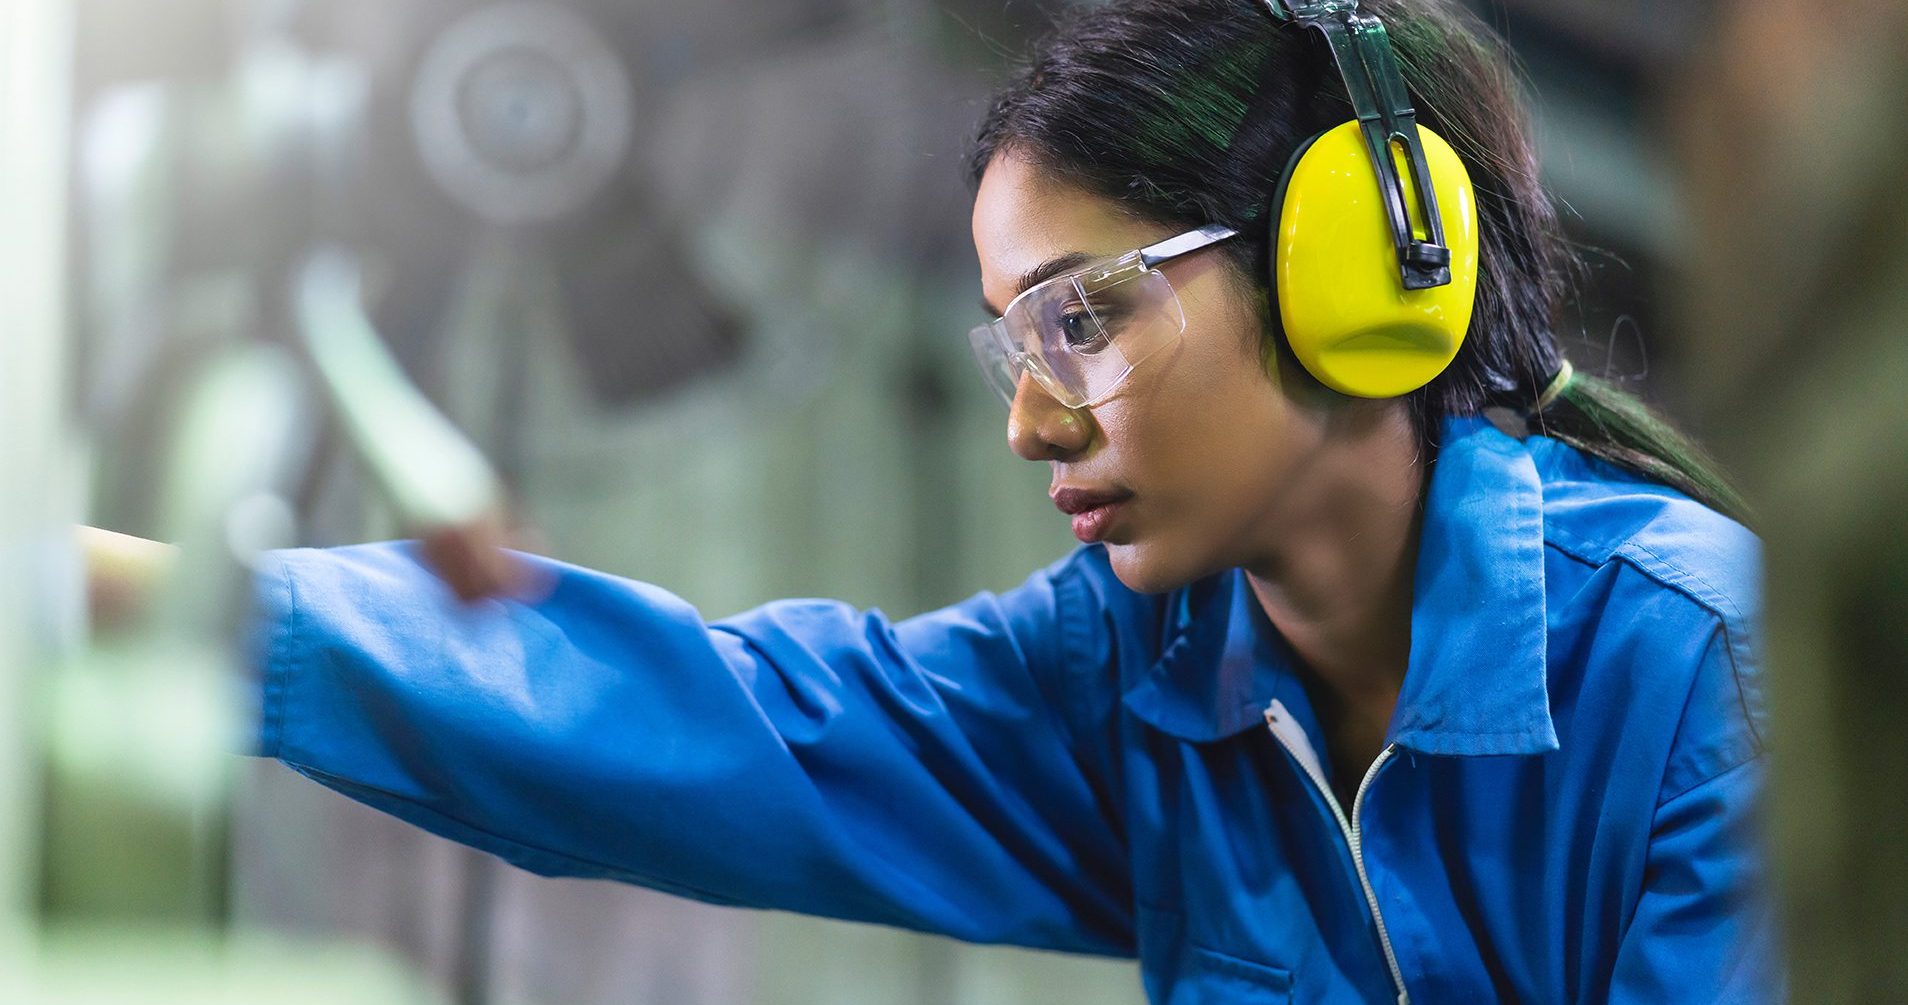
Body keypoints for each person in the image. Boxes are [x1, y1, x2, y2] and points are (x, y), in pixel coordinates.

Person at [86, 0, 1777, 1000]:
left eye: (1084, 316)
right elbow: (711, 718)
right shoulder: (1140, 668)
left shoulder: (1699, 672)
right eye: (1011, 341)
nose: (1034, 418)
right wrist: (135, 589)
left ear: (1354, 273)